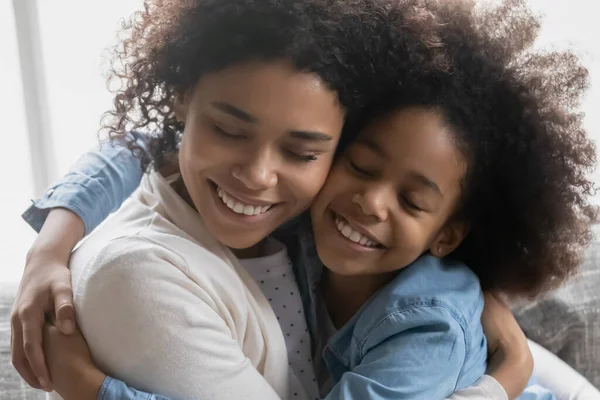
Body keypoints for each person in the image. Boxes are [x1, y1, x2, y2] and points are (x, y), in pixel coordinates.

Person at [14, 0, 594, 399]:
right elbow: (148, 141)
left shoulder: (426, 325)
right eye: (361, 167)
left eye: (300, 150)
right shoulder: (307, 219)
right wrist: (53, 240)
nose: (260, 175)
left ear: (446, 234)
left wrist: (92, 390)